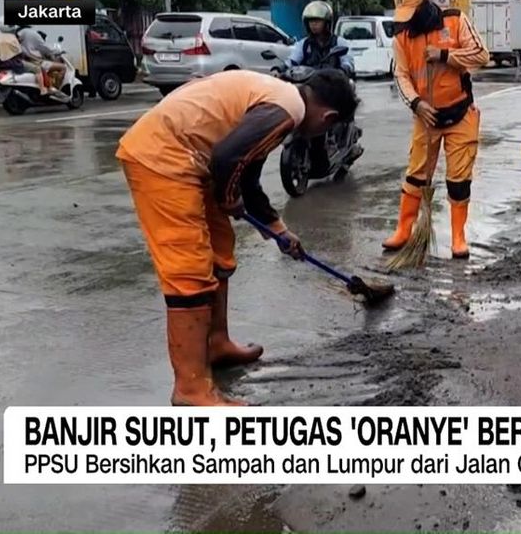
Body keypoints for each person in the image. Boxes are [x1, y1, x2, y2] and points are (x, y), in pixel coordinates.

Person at [115, 69, 359, 406]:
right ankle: (191, 389)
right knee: (189, 272)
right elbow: (229, 158)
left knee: (219, 251)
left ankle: (217, 343)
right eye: (328, 129)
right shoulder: (287, 110)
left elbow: (246, 177)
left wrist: (277, 230)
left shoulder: (279, 99)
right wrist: (229, 199)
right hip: (163, 159)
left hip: (195, 161)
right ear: (328, 117)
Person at [382, 0, 490, 259]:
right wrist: (416, 104)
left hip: (460, 114)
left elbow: (482, 55)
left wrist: (445, 55)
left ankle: (458, 236)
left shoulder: (454, 20)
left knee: (458, 179)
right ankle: (404, 230)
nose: (406, 22)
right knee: (416, 176)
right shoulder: (401, 37)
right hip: (426, 117)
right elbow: (401, 75)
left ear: (423, 7)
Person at [287, 0, 356, 177]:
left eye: (317, 21)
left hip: (330, 87)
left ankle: (337, 139)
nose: (314, 25)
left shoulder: (338, 42)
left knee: (346, 92)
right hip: (310, 88)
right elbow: (292, 61)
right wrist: (281, 69)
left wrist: (345, 68)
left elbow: (347, 59)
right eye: (311, 21)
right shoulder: (304, 45)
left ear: (327, 23)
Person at [17, 24, 66, 95]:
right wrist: (57, 51)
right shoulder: (33, 34)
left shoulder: (17, 33)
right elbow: (44, 48)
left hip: (24, 60)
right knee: (63, 67)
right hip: (35, 61)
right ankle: (57, 90)